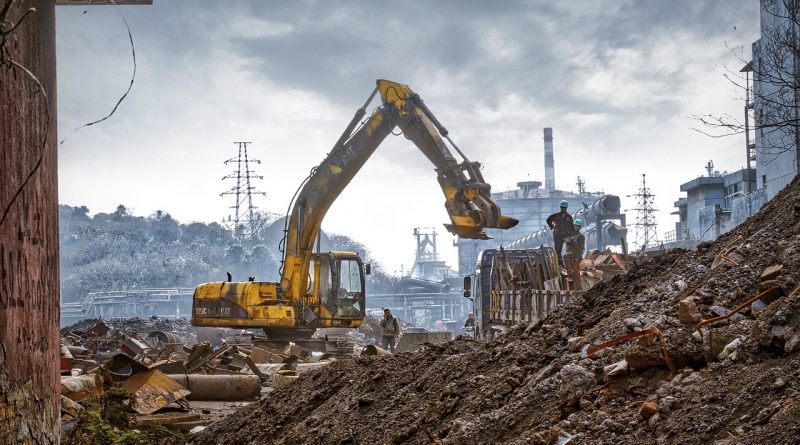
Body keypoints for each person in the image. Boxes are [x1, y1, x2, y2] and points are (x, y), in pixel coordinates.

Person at [546, 200, 575, 268]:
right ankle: (560, 265)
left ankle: (570, 264)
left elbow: (572, 227)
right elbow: (548, 220)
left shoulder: (569, 217)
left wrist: (571, 236)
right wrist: (552, 226)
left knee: (571, 249)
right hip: (558, 235)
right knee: (558, 251)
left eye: (564, 207)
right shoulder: (556, 216)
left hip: (566, 235)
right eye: (562, 207)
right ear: (560, 207)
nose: (563, 209)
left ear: (566, 208)